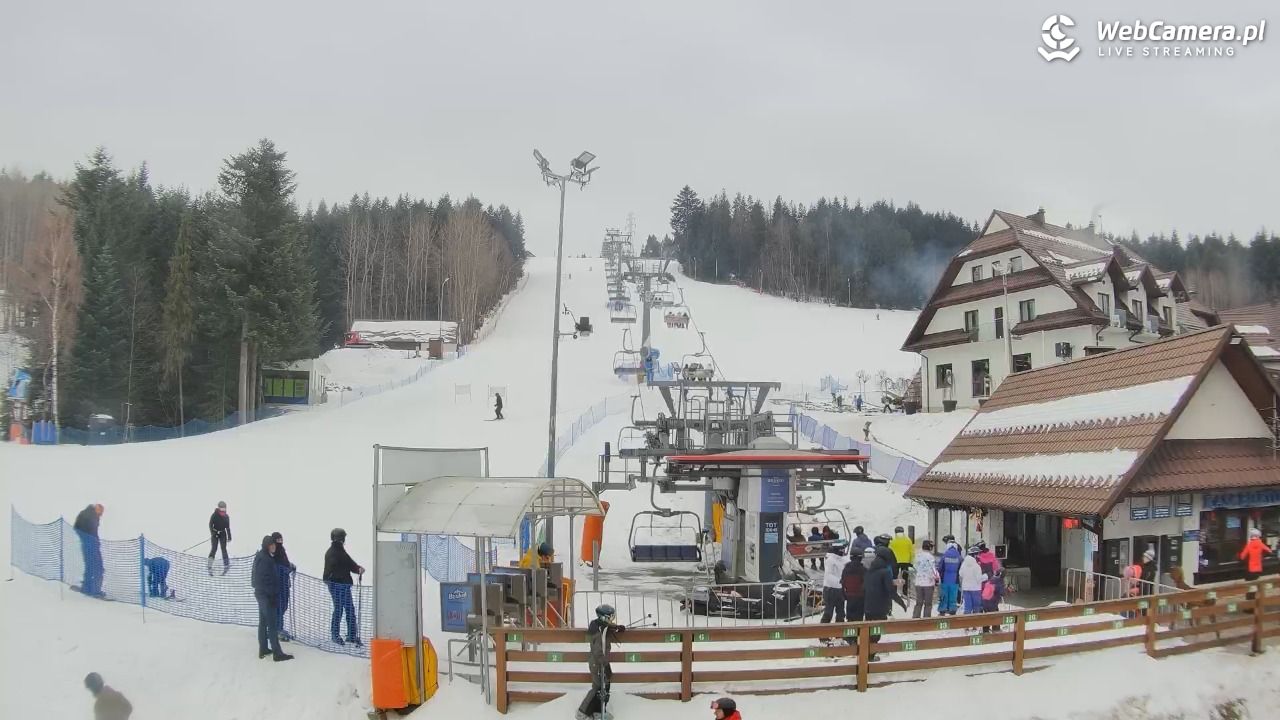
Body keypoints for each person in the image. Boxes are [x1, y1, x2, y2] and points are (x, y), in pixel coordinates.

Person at [576, 604, 627, 720]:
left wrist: (617, 627)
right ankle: (582, 712)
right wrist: (604, 664)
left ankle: (599, 712)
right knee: (598, 688)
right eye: (610, 617)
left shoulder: (601, 625)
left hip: (600, 662)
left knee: (605, 685)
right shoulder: (598, 631)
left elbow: (607, 627)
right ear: (603, 617)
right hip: (597, 662)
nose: (611, 620)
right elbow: (597, 651)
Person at [251, 535, 293, 661]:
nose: (274, 547)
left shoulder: (261, 556)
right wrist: (272, 595)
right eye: (271, 545)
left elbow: (255, 578)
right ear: (266, 546)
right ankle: (277, 653)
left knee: (263, 623)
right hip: (267, 596)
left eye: (274, 544)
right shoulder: (266, 560)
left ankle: (263, 648)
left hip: (261, 594)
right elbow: (265, 579)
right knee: (272, 625)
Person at [324, 527, 364, 646]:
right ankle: (335, 635)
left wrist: (358, 569)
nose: (343, 540)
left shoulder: (340, 551)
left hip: (343, 586)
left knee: (349, 609)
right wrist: (356, 569)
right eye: (343, 538)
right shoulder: (333, 552)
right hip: (337, 585)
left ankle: (351, 635)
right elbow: (330, 572)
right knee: (339, 609)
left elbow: (349, 564)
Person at [863, 552, 907, 661]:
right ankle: (870, 656)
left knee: (870, 631)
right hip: (880, 607)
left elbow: (869, 586)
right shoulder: (885, 572)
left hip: (868, 605)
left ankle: (866, 653)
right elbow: (890, 591)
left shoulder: (870, 571)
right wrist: (901, 602)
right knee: (876, 633)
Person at [73, 503, 105, 598]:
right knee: (95, 567)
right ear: (96, 509)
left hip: (91, 544)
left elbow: (93, 531)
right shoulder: (89, 515)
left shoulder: (92, 515)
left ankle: (88, 588)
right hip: (89, 545)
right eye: (100, 511)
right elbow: (80, 528)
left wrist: (95, 541)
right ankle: (93, 590)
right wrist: (88, 539)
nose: (101, 514)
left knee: (92, 567)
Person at [819, 540, 850, 638]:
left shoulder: (843, 559)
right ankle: (823, 635)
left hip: (840, 590)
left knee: (841, 613)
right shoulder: (830, 560)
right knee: (828, 612)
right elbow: (829, 575)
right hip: (830, 589)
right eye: (842, 549)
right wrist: (841, 581)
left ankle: (839, 634)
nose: (844, 551)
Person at [271, 531, 297, 641]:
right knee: (279, 607)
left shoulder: (281, 550)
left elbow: (284, 563)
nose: (280, 542)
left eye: (281, 540)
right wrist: (286, 569)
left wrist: (290, 566)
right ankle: (277, 629)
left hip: (285, 583)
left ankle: (279, 627)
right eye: (278, 540)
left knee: (283, 606)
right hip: (278, 585)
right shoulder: (273, 553)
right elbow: (277, 567)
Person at [842, 547, 872, 629]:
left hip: (849, 597)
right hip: (860, 597)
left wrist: (844, 595)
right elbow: (867, 584)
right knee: (859, 619)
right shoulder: (863, 570)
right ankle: (858, 634)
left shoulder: (846, 569)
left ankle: (850, 634)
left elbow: (842, 582)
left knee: (850, 618)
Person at [936, 535, 963, 616]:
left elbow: (940, 567)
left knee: (944, 595)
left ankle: (942, 610)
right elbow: (961, 567)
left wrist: (939, 575)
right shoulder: (959, 556)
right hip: (955, 579)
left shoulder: (945, 555)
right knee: (953, 595)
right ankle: (952, 610)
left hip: (945, 578)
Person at [912, 540, 939, 618]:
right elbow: (933, 570)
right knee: (928, 603)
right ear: (930, 547)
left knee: (919, 602)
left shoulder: (918, 556)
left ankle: (915, 618)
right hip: (928, 583)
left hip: (918, 582)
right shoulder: (931, 557)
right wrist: (937, 579)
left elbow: (914, 567)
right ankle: (926, 619)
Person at [889, 527, 914, 597]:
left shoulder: (893, 541)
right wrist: (911, 562)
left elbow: (890, 552)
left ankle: (894, 592)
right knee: (905, 577)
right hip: (906, 561)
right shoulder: (908, 540)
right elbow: (912, 552)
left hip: (895, 561)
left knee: (895, 576)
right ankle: (905, 592)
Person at [208, 501, 232, 575]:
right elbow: (210, 524)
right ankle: (209, 565)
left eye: (224, 508)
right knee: (214, 549)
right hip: (215, 534)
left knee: (224, 549)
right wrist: (213, 533)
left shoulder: (226, 516)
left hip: (222, 534)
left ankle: (226, 564)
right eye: (221, 508)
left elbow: (227, 527)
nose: (223, 510)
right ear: (219, 508)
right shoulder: (214, 515)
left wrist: (229, 536)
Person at [959, 548, 985, 615]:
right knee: (976, 606)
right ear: (974, 555)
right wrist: (986, 576)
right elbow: (979, 579)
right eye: (978, 554)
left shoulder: (964, 564)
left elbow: (960, 574)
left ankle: (967, 620)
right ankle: (975, 620)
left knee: (967, 606)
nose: (978, 556)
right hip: (975, 588)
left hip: (966, 588)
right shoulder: (976, 566)